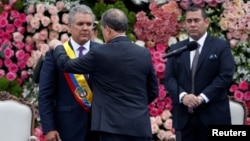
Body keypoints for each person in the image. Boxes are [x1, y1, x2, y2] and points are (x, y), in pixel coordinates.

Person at [50, 8, 159, 141]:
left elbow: (66, 65)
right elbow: (153, 91)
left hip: (110, 127)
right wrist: (135, 107)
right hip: (139, 127)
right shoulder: (144, 54)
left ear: (107, 29)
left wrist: (57, 46)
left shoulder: (100, 53)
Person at [164, 6, 235, 141]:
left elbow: (225, 76)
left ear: (207, 22)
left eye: (196, 20)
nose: (192, 24)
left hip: (214, 117)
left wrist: (202, 97)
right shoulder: (177, 49)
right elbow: (169, 78)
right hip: (185, 120)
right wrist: (183, 96)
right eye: (189, 21)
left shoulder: (221, 46)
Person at [38, 5, 100, 141]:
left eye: (89, 24)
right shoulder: (55, 53)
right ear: (69, 26)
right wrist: (49, 128)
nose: (85, 28)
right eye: (80, 24)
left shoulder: (103, 51)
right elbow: (45, 95)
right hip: (67, 127)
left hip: (99, 128)